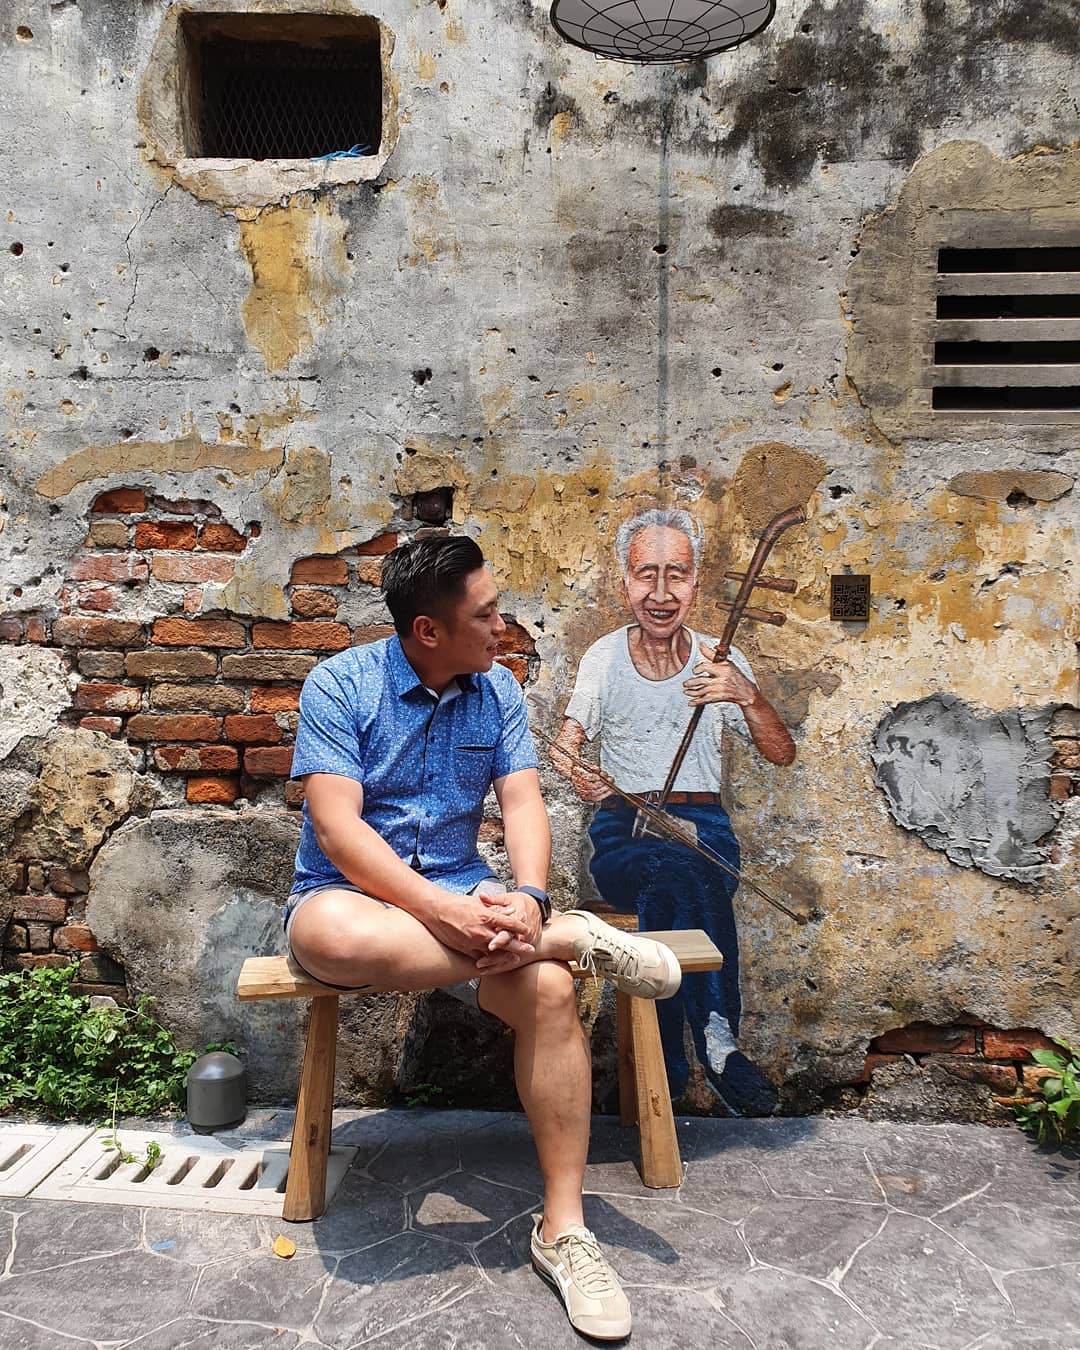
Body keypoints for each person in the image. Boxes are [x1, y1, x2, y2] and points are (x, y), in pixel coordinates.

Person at [283, 533, 682, 1342]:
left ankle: (563, 1231)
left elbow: (525, 804)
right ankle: (570, 935)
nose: (501, 627)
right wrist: (442, 911)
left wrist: (531, 895)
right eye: (486, 613)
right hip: (359, 896)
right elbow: (336, 830)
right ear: (428, 630)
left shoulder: (496, 689)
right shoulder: (341, 685)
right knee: (329, 937)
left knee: (548, 988)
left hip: (474, 895)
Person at [550, 508, 795, 1114]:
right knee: (675, 867)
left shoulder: (719, 657)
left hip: (704, 823)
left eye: (676, 576)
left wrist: (745, 692)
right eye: (646, 575)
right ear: (624, 580)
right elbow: (567, 744)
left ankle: (663, 1058)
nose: (660, 594)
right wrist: (581, 772)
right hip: (623, 829)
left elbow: (781, 753)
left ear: (696, 583)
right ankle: (718, 1042)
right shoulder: (604, 659)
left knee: (683, 867)